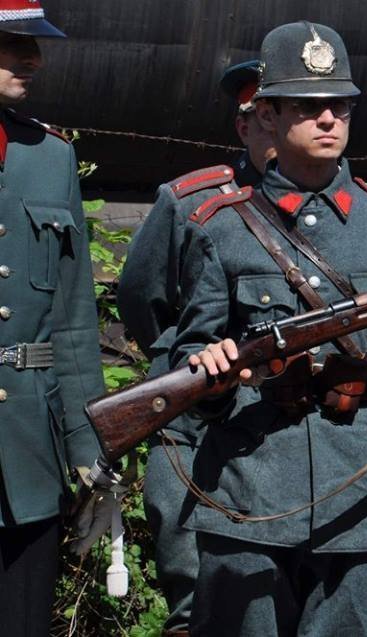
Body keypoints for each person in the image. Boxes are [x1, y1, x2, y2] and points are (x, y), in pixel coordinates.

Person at [163, 21, 367, 636]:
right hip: (249, 490)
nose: (329, 119)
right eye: (309, 107)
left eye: (339, 105)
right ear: (269, 116)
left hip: (360, 494)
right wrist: (214, 371)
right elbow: (190, 352)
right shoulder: (218, 224)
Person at [116, 59, 276, 637]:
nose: (281, 128)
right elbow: (141, 297)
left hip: (274, 430)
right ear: (245, 126)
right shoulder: (189, 201)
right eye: (267, 116)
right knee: (194, 600)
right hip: (195, 428)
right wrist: (185, 361)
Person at [0, 3, 106, 636]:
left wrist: (89, 446)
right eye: (12, 43)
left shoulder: (50, 156)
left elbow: (71, 318)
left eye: (35, 44)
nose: (32, 59)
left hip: (27, 454)